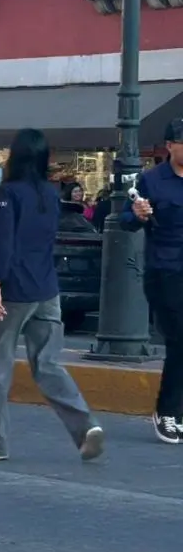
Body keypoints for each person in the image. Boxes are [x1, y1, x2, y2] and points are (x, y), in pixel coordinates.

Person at [0, 128, 103, 462]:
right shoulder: (50, 195)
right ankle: (85, 427)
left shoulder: (6, 194)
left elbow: (1, 240)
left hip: (14, 288)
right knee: (49, 364)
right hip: (46, 288)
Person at [124, 117, 183, 444]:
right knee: (180, 340)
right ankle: (167, 412)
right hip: (165, 272)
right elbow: (125, 219)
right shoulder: (151, 181)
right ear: (170, 146)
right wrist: (138, 214)